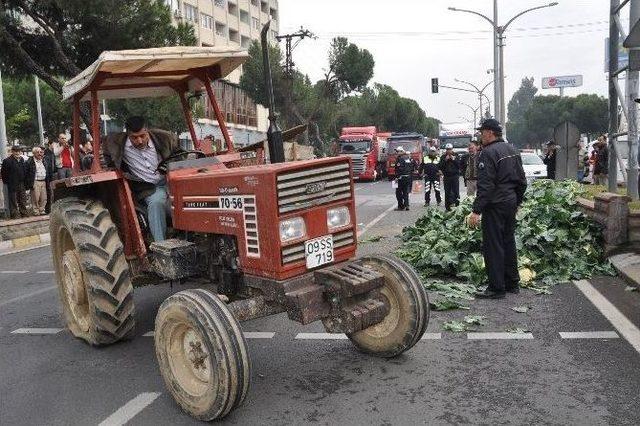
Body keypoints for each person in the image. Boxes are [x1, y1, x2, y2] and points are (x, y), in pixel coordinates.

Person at [466, 119, 527, 299]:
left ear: (490, 133)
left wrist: (476, 210)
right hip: (510, 202)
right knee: (509, 242)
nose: (480, 135)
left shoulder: (488, 153)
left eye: (482, 132)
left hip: (495, 205)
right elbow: (521, 181)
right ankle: (512, 283)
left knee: (493, 246)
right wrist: (517, 202)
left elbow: (486, 186)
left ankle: (496, 288)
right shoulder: (512, 150)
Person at [103, 116, 184, 242]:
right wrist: (113, 169)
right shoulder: (115, 143)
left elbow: (180, 156)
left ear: (148, 131)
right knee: (156, 203)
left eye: (142, 136)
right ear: (127, 134)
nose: (139, 141)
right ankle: (160, 244)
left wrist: (169, 167)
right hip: (149, 188)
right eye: (134, 137)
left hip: (172, 182)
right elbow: (107, 158)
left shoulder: (166, 138)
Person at [1, 145, 30, 218]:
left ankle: (24, 213)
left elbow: (25, 171)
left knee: (23, 199)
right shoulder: (7, 161)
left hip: (21, 183)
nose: (18, 153)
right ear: (12, 152)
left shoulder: (22, 160)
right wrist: (8, 182)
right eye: (16, 151)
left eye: (19, 151)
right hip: (12, 183)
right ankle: (15, 214)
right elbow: (4, 173)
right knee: (13, 200)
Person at [25, 147, 48, 215]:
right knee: (35, 197)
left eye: (41, 152)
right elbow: (26, 173)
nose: (39, 154)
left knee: (44, 197)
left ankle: (42, 210)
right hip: (35, 181)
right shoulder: (30, 161)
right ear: (33, 153)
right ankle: (36, 211)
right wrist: (29, 183)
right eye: (37, 152)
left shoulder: (44, 160)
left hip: (43, 181)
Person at [439, 143, 461, 211]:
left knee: (456, 191)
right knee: (447, 192)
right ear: (446, 150)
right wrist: (445, 160)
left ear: (452, 149)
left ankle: (458, 206)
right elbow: (440, 166)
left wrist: (454, 160)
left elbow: (459, 165)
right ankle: (447, 207)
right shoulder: (443, 157)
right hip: (447, 177)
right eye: (447, 149)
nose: (449, 151)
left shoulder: (456, 155)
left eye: (450, 149)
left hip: (455, 176)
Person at [393, 146, 416, 211]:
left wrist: (397, 177)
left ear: (401, 151)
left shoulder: (400, 158)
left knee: (398, 193)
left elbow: (399, 169)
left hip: (401, 178)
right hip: (408, 177)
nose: (396, 153)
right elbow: (410, 168)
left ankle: (401, 206)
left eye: (397, 151)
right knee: (405, 192)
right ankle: (407, 205)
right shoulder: (407, 158)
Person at [43, 139, 57, 214]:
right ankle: (47, 209)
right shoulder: (46, 152)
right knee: (48, 192)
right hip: (47, 175)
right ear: (49, 144)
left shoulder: (53, 153)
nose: (54, 146)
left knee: (52, 192)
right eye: (53, 144)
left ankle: (52, 209)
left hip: (53, 174)